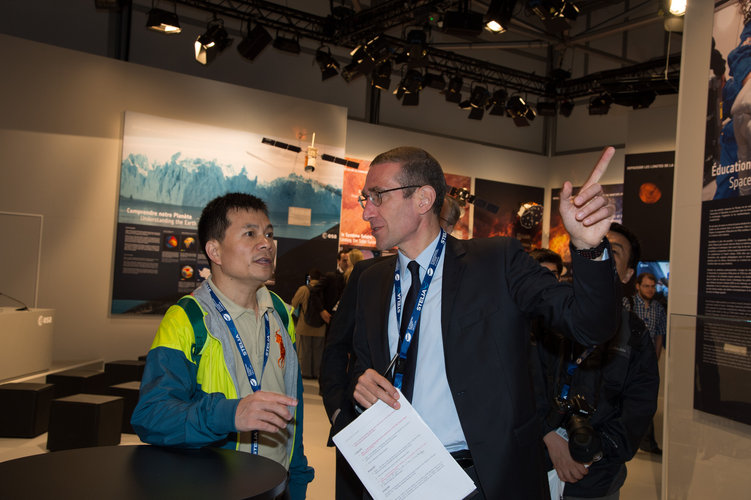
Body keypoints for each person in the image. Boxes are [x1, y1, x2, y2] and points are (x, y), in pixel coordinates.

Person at [350, 146, 621, 499]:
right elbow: (359, 363)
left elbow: (589, 326)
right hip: (398, 474)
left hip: (486, 479)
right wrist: (361, 385)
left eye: (377, 197)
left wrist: (587, 248)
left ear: (423, 199)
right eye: (364, 198)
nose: (367, 211)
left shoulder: (496, 262)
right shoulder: (372, 281)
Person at [131, 193, 314, 499]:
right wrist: (229, 415)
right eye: (250, 233)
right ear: (214, 250)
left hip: (277, 489)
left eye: (269, 233)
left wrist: (296, 484)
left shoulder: (281, 313)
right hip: (215, 488)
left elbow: (294, 417)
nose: (266, 243)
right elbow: (151, 416)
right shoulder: (187, 319)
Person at [530, 226, 659, 499]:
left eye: (611, 252)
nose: (599, 256)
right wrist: (548, 435)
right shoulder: (547, 316)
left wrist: (589, 452)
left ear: (627, 274)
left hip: (596, 478)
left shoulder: (635, 334)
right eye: (590, 248)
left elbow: (639, 406)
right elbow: (522, 381)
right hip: (534, 465)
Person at [290, 268, 327, 379]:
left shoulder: (303, 289)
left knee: (305, 350)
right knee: (318, 351)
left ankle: (306, 373)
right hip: (321, 327)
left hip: (305, 326)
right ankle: (316, 373)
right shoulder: (324, 289)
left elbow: (293, 304)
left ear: (309, 278)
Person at [632, 272, 667, 360]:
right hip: (630, 355)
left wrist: (656, 358)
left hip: (648, 357)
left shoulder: (658, 308)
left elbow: (659, 335)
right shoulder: (629, 303)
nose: (650, 289)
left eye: (652, 286)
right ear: (638, 286)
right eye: (646, 286)